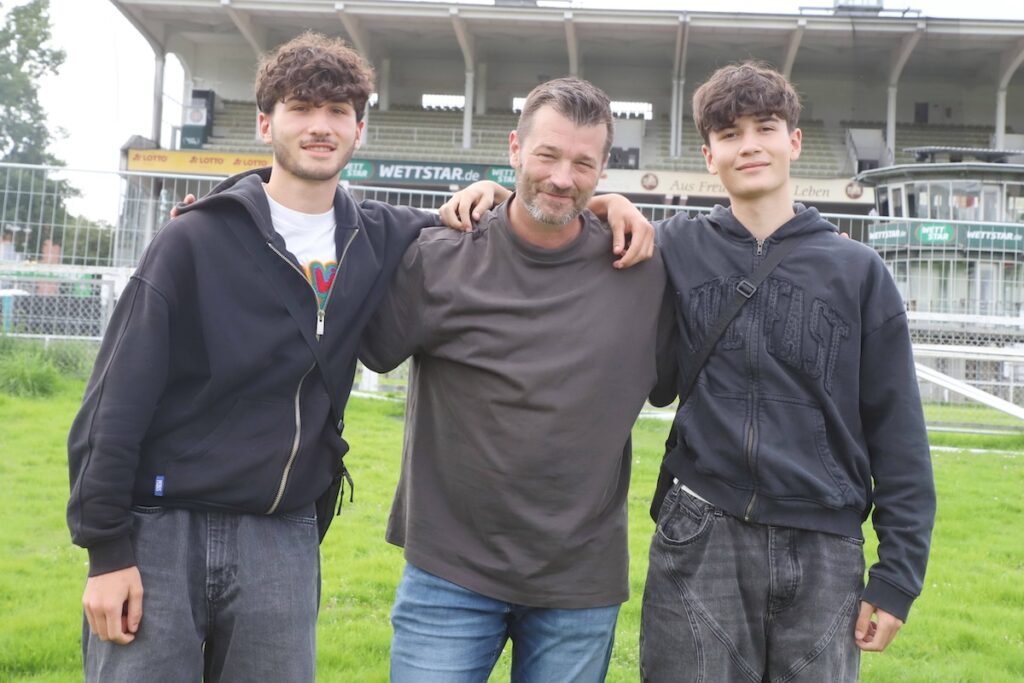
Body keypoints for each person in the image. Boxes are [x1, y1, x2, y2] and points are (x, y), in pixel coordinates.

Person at [446, 61, 935, 682]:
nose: (750, 145)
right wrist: (499, 197)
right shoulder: (673, 248)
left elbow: (898, 430)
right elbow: (554, 214)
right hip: (702, 530)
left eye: (766, 127)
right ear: (709, 155)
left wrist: (898, 575)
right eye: (730, 134)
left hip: (824, 545)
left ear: (795, 141)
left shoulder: (860, 272)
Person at [67, 32, 445, 681]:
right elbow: (115, 401)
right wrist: (107, 553)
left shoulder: (383, 236)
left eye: (337, 112)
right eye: (302, 108)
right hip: (164, 527)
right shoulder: (192, 240)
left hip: (282, 536)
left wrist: (591, 201)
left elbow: (509, 220)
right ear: (267, 122)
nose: (320, 126)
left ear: (360, 127)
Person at [359, 77, 674, 682]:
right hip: (448, 574)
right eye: (547, 155)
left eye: (584, 163)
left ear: (604, 168)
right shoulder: (443, 255)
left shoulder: (641, 270)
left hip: (578, 585)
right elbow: (364, 323)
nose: (562, 177)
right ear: (514, 149)